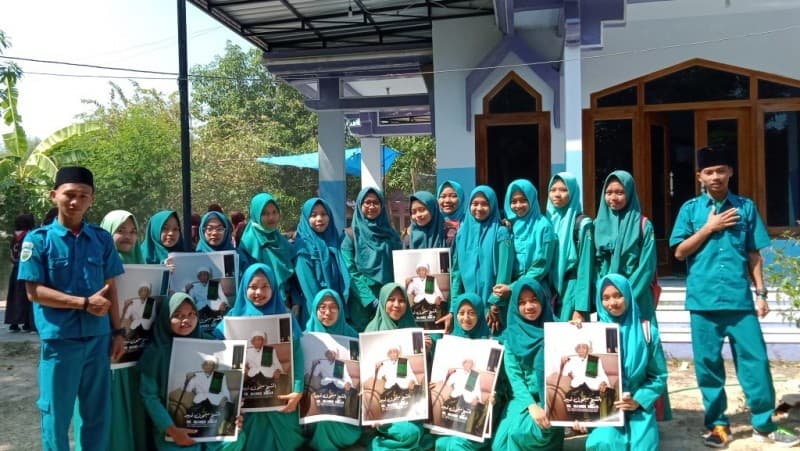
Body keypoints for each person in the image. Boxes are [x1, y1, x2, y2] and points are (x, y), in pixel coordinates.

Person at [669, 146, 800, 448]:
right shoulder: (690, 210)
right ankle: (717, 425)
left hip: (740, 302)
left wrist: (762, 293)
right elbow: (679, 251)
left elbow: (754, 254)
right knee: (708, 365)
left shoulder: (745, 207)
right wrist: (709, 227)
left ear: (730, 172)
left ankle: (764, 424)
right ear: (700, 176)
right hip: (703, 303)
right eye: (709, 171)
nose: (715, 176)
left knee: (755, 362)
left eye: (721, 170)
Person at [18, 166, 126, 451]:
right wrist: (84, 303)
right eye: (69, 194)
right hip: (60, 343)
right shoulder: (38, 240)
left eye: (83, 195)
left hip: (98, 340)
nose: (76, 201)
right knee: (56, 415)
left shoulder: (101, 239)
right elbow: (33, 292)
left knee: (97, 417)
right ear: (55, 196)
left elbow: (111, 288)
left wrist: (118, 332)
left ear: (92, 199)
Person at [213, 263, 305, 451]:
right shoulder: (233, 319)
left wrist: (297, 389)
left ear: (273, 288)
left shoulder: (285, 317)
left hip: (276, 394)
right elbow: (217, 353)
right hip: (246, 398)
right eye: (253, 287)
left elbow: (296, 355)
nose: (259, 292)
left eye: (265, 287)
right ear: (244, 288)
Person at [582, 274, 668, 451]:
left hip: (638, 405)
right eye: (605, 298)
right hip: (606, 407)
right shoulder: (592, 334)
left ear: (628, 295)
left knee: (643, 447)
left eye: (617, 295)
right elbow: (590, 373)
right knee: (603, 443)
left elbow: (659, 376)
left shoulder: (647, 331)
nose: (612, 303)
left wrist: (638, 400)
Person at [96, 209, 151, 451]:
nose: (128, 237)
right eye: (120, 231)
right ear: (107, 233)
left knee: (136, 402)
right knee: (112, 405)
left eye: (133, 231)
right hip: (109, 348)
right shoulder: (99, 265)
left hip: (137, 350)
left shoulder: (142, 265)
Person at [139, 292, 218, 450]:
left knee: (236, 441)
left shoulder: (210, 344)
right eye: (178, 315)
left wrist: (230, 417)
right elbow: (149, 396)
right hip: (172, 430)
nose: (186, 320)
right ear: (166, 318)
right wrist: (172, 430)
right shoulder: (155, 353)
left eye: (191, 314)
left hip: (209, 427)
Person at [492, 277, 564, 451]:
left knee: (522, 433)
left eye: (534, 300)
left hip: (551, 399)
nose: (529, 307)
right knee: (499, 445)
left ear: (543, 300)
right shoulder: (511, 336)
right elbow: (515, 376)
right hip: (524, 398)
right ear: (515, 306)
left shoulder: (558, 330)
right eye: (522, 302)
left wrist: (577, 329)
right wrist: (531, 406)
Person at [364, 283, 433, 451]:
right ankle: (384, 437)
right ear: (382, 301)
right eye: (391, 300)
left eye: (402, 300)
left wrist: (427, 352)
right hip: (388, 405)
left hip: (408, 405)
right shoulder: (370, 332)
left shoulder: (414, 331)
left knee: (411, 432)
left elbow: (416, 376)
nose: (396, 305)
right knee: (409, 434)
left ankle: (385, 442)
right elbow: (368, 378)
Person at [448, 186, 514, 334]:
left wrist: (495, 302)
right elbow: (457, 275)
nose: (479, 208)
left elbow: (504, 272)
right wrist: (454, 308)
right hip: (468, 310)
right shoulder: (462, 234)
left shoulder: (501, 232)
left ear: (492, 205)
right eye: (475, 203)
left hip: (493, 309)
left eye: (485, 204)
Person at [594, 171, 657, 322]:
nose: (613, 198)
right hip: (608, 300)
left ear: (629, 193)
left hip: (637, 297)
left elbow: (647, 266)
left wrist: (626, 296)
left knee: (639, 340)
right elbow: (595, 266)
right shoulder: (596, 225)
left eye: (620, 192)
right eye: (608, 192)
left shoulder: (643, 225)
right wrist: (605, 293)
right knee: (610, 343)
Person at [304, 289, 361, 450]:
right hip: (322, 392)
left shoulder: (352, 338)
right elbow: (309, 374)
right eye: (322, 308)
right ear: (315, 310)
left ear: (340, 310)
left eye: (333, 307)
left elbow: (351, 373)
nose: (327, 313)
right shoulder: (306, 337)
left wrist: (353, 385)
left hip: (342, 394)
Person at [342, 187, 403, 332]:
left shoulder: (392, 236)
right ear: (359, 205)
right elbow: (350, 271)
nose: (371, 207)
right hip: (360, 303)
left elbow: (400, 267)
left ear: (382, 206)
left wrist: (391, 299)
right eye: (367, 203)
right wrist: (371, 300)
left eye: (376, 203)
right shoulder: (350, 236)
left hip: (389, 300)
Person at [293, 198, 350, 328]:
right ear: (306, 218)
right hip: (317, 310)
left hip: (336, 308)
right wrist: (323, 310)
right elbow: (308, 285)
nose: (319, 219)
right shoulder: (302, 247)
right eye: (313, 215)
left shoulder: (334, 241)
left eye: (324, 214)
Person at [546, 172, 594, 323]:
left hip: (572, 291)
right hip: (549, 292)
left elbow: (585, 269)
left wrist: (579, 309)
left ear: (573, 192)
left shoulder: (583, 225)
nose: (557, 195)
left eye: (563, 190)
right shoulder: (546, 222)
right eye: (553, 190)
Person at [237, 193, 294, 300]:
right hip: (260, 301)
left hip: (286, 302)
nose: (271, 217)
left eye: (274, 212)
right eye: (264, 213)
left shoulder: (281, 240)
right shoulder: (249, 243)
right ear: (256, 215)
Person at [5, 213, 36, 332]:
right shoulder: (30, 235)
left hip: (15, 268)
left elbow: (11, 255)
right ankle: (27, 323)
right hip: (25, 268)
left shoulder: (14, 236)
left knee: (14, 296)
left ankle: (14, 323)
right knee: (27, 295)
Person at [405, 262, 444, 326]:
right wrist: (406, 284)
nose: (421, 272)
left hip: (431, 300)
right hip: (419, 301)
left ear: (426, 271)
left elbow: (437, 290)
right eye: (419, 270)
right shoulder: (414, 280)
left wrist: (439, 297)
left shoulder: (432, 279)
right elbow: (408, 292)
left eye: (423, 270)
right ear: (417, 272)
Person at [437, 180, 466, 247]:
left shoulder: (468, 223)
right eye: (443, 196)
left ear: (461, 198)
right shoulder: (434, 223)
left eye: (453, 196)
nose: (447, 200)